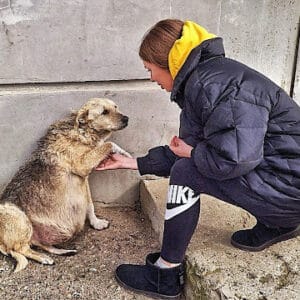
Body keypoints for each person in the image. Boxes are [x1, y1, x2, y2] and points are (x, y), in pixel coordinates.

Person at [96, 19, 300, 299]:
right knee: (188, 163)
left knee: (186, 172)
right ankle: (280, 224)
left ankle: (165, 273)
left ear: (167, 61)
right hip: (288, 185)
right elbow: (188, 146)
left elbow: (235, 160)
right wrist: (133, 163)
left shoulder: (212, 85)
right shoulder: (205, 81)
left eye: (150, 69)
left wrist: (191, 154)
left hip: (291, 192)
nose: (152, 78)